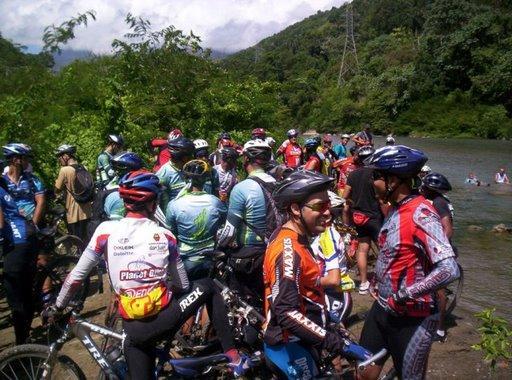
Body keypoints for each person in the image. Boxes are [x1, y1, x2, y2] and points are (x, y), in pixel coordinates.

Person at [47, 170, 250, 378]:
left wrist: (58, 306)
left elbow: (75, 278)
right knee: (208, 286)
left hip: (132, 328)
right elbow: (182, 284)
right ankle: (233, 356)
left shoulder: (104, 231)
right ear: (153, 203)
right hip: (165, 316)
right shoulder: (165, 236)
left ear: (124, 201)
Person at [358, 145, 460, 380]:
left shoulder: (421, 213)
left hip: (413, 317)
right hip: (382, 308)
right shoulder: (396, 209)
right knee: (363, 371)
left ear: (393, 180)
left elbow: (449, 269)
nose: (372, 181)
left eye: (376, 176)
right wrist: (377, 278)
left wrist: (404, 294)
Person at [263, 170, 349, 378]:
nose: (328, 212)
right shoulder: (288, 251)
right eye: (320, 206)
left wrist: (329, 322)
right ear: (295, 208)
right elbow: (286, 311)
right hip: (290, 344)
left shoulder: (298, 237)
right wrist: (329, 339)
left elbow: (305, 285)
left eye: (329, 205)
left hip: (302, 339)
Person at [216, 139, 274, 305]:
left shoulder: (242, 188)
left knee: (243, 302)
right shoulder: (277, 184)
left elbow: (230, 231)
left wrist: (219, 247)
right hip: (274, 249)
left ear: (246, 159)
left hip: (250, 255)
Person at [166, 160, 227, 280]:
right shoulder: (215, 201)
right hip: (211, 256)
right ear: (205, 179)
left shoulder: (174, 204)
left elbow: (171, 233)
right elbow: (223, 221)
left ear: (185, 178)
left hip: (185, 258)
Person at [0, 176, 38, 344]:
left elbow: (0, 223)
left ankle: (22, 344)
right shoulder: (3, 189)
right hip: (26, 238)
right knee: (25, 292)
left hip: (16, 243)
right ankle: (25, 337)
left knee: (15, 298)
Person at [420, 172, 455, 342]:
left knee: (440, 291)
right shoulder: (428, 200)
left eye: (424, 187)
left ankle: (440, 329)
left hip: (439, 252)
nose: (422, 189)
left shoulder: (440, 203)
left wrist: (435, 250)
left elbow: (447, 230)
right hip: (429, 248)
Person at [342, 146, 381, 295]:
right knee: (384, 251)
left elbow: (345, 195)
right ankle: (379, 282)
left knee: (362, 250)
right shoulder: (377, 174)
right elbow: (381, 198)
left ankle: (363, 283)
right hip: (375, 216)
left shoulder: (353, 174)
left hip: (358, 217)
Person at [311, 191, 354, 326]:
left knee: (333, 335)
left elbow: (334, 280)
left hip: (335, 295)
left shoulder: (327, 237)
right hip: (328, 293)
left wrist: (307, 281)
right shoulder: (324, 234)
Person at [54, 144, 92, 243]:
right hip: (87, 211)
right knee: (87, 239)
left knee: (77, 241)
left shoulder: (65, 170)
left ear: (66, 156)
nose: (59, 159)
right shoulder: (84, 167)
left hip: (73, 213)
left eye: (60, 156)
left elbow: (57, 189)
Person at [2, 143, 46, 228]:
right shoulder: (2, 182)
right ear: (15, 160)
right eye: (25, 158)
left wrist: (33, 225)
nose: (28, 162)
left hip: (32, 225)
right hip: (11, 228)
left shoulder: (33, 180)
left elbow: (41, 202)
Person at [156, 136, 195, 210]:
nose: (192, 158)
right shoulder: (163, 174)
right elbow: (162, 204)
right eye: (189, 156)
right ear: (182, 157)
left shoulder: (189, 168)